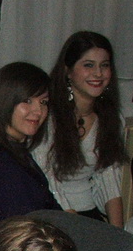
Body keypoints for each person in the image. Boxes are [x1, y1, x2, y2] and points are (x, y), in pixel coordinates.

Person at [31, 31, 127, 226]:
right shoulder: (47, 117)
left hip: (88, 213)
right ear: (68, 71)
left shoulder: (111, 119)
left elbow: (108, 178)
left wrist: (119, 234)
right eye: (88, 65)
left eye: (104, 65)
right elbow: (48, 180)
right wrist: (78, 229)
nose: (98, 73)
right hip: (52, 213)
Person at [0, 62, 61, 231]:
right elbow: (26, 229)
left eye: (44, 102)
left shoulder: (13, 150)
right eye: (27, 101)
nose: (38, 111)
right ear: (5, 102)